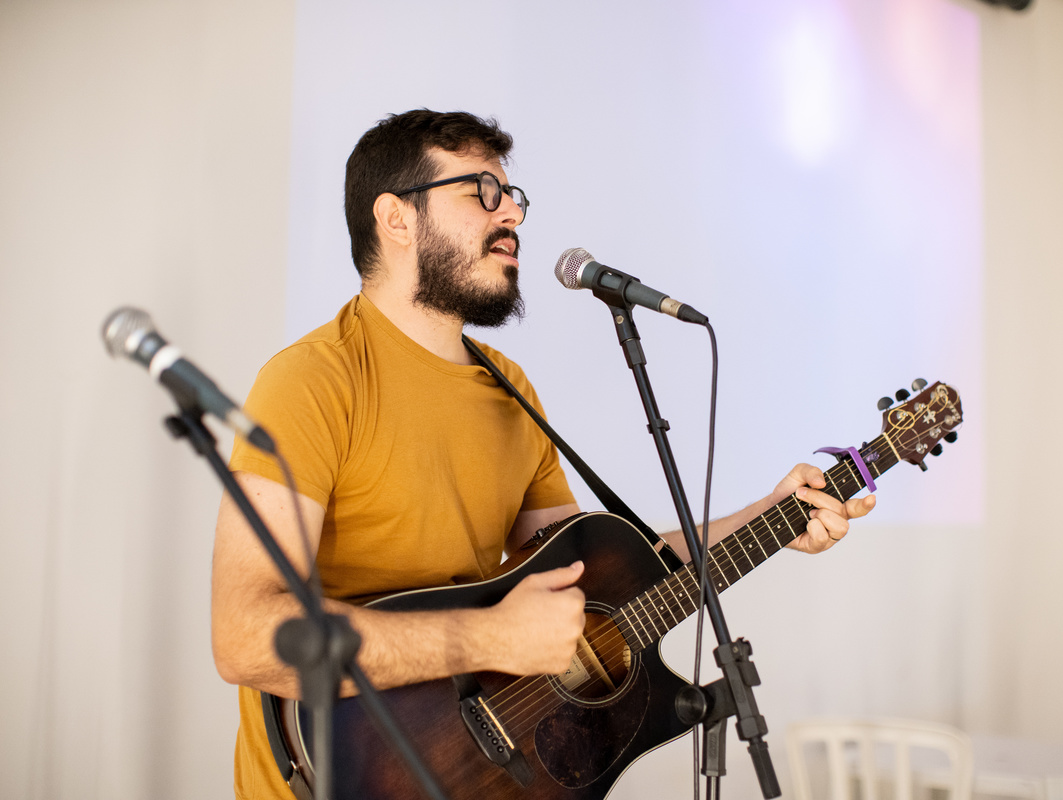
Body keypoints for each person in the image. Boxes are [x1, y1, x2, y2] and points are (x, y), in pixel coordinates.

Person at [210, 109, 876, 799]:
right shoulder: (313, 381)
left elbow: (605, 581)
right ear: (396, 218)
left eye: (513, 197)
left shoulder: (508, 388)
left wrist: (771, 516)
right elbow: (246, 636)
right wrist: (488, 639)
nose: (513, 218)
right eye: (482, 193)